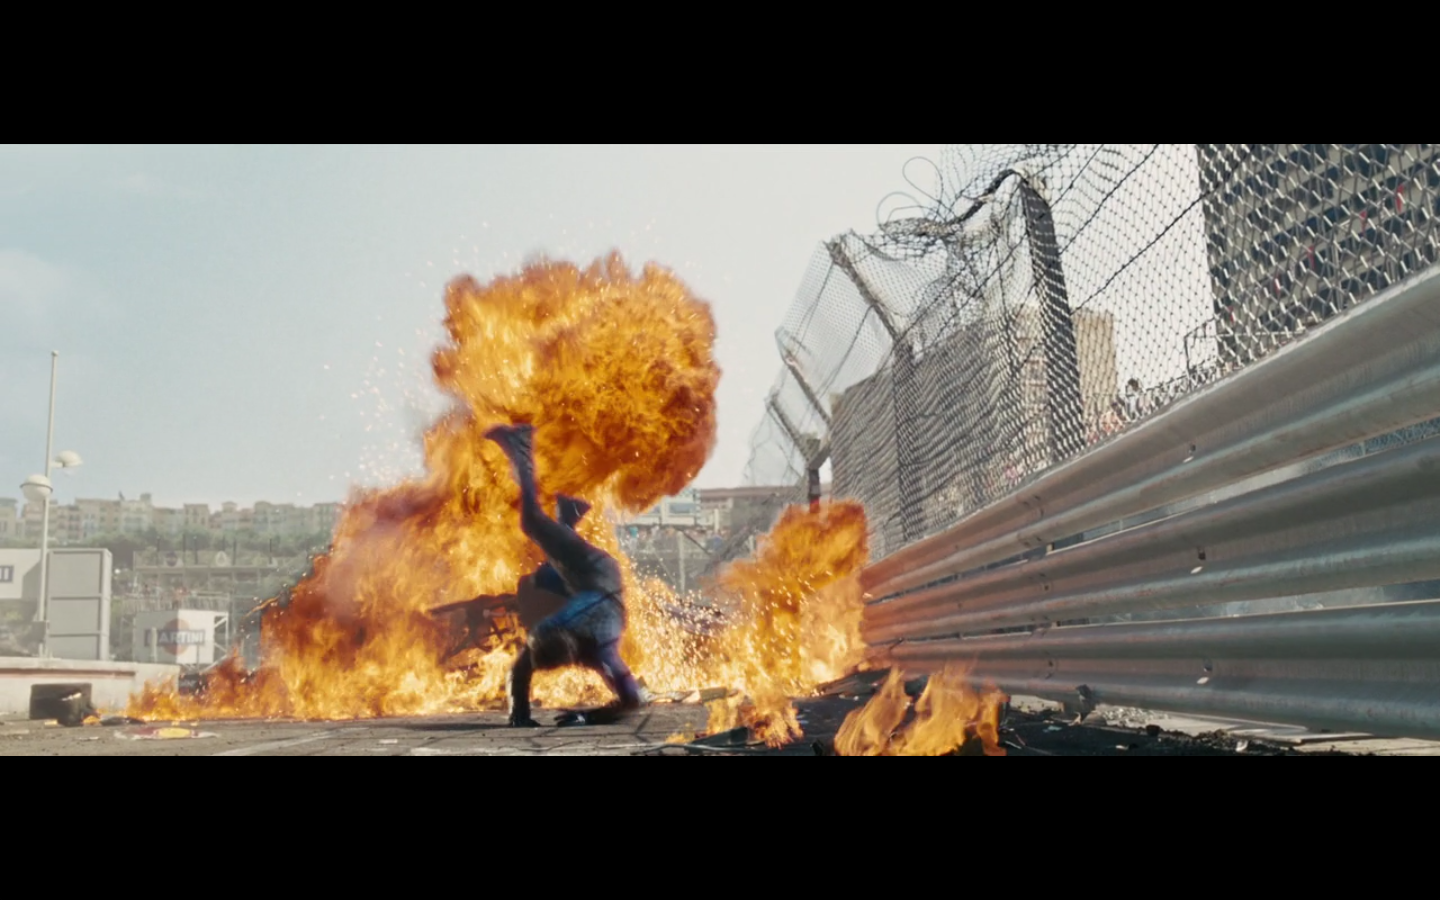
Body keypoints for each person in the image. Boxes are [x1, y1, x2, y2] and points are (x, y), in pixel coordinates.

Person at [485, 422, 644, 728]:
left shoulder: (572, 636)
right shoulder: (595, 646)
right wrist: (523, 716)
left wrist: (523, 716)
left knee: (532, 523)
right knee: (545, 548)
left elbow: (519, 670)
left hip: (592, 576)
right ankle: (567, 516)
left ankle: (520, 445)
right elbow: (632, 700)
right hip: (598, 584)